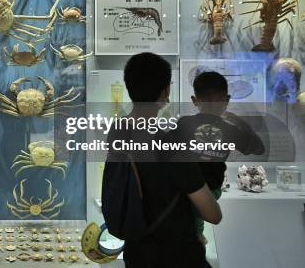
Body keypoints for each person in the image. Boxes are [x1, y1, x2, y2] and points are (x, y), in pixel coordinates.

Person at [104, 53, 222, 268]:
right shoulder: (169, 145)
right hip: (177, 256)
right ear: (165, 91)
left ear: (129, 87)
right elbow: (212, 214)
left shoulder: (117, 131)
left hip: (136, 253)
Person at [172, 71, 265, 244]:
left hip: (185, 188)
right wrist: (241, 123)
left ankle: (196, 235)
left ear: (195, 100)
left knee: (187, 207)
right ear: (227, 100)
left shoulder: (184, 123)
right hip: (211, 188)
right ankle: (196, 235)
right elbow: (259, 148)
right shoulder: (230, 129)